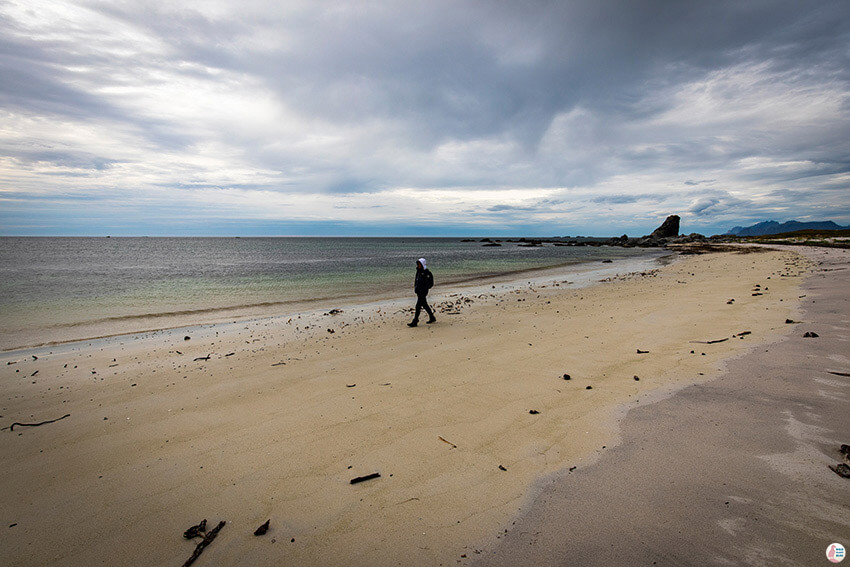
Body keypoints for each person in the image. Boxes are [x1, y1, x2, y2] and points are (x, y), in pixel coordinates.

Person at [408, 257, 435, 327]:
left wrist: (425, 289)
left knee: (418, 306)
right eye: (418, 264)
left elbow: (430, 283)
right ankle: (432, 317)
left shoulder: (427, 273)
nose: (418, 265)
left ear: (423, 264)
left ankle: (415, 321)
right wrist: (416, 288)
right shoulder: (418, 271)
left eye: (420, 264)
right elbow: (416, 281)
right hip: (418, 291)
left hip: (423, 292)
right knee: (424, 305)